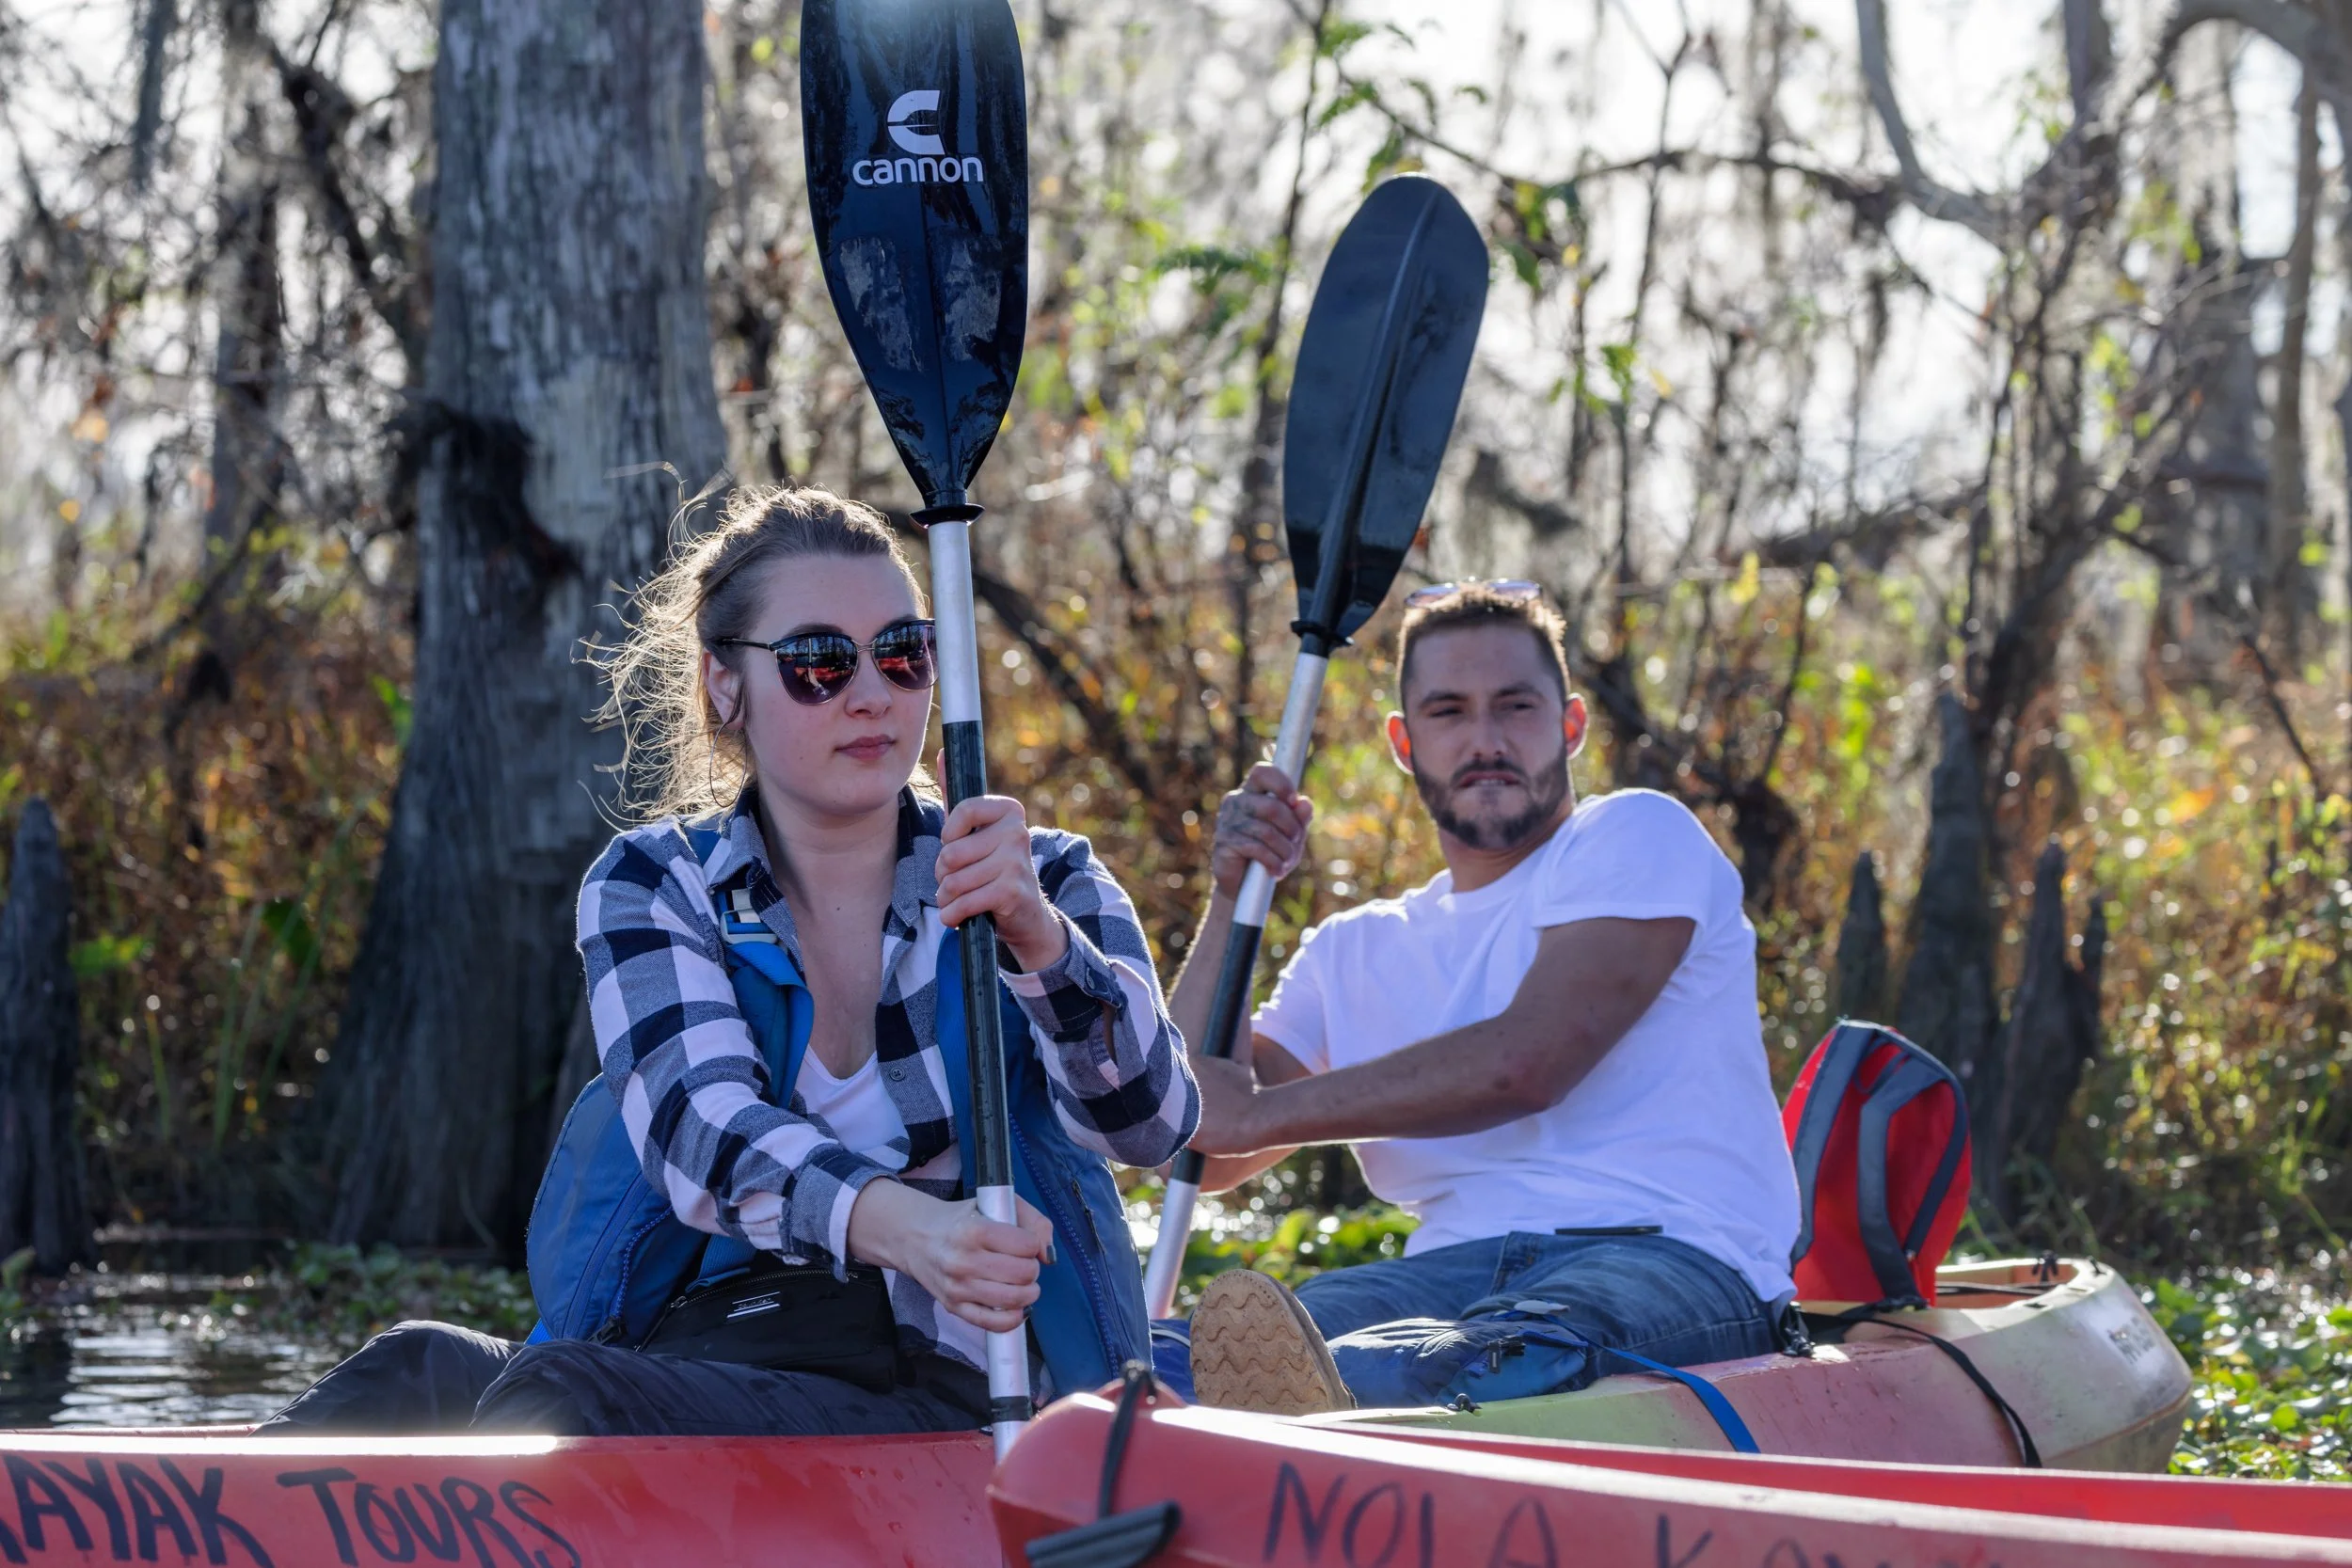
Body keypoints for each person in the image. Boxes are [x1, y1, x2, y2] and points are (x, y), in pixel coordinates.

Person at [265, 485, 1198, 1436]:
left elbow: (1154, 1125)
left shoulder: (1042, 878)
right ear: (725, 683)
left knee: (562, 1403)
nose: (871, 692)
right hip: (701, 1350)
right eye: (819, 662)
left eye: (902, 651)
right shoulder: (654, 884)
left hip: (959, 1392)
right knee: (413, 1365)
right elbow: (701, 1133)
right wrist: (912, 1227)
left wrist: (1036, 942)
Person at [1171, 580, 1801, 1415]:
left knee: (1491, 1359)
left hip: (1670, 1255)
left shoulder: (1637, 835)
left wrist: (1253, 1114)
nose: (1486, 739)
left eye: (1515, 706)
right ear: (1403, 741)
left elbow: (1527, 1062)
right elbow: (1197, 1138)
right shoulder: (1350, 948)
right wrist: (1228, 896)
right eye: (1448, 712)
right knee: (1166, 1362)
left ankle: (1346, 1412)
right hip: (1443, 1272)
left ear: (1570, 723)